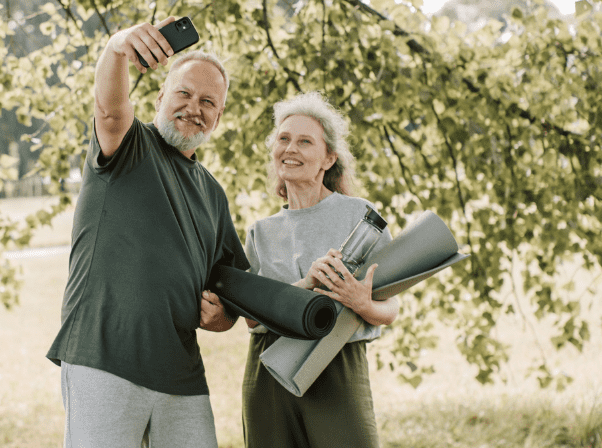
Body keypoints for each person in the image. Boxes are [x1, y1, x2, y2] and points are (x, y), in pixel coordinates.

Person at [45, 17, 250, 448]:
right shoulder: (127, 144)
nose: (194, 107)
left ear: (219, 115)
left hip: (182, 376)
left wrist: (224, 317)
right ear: (160, 96)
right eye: (184, 93)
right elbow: (109, 107)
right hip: (104, 360)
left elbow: (231, 289)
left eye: (208, 101)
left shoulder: (212, 193)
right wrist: (118, 47)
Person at [241, 91, 400, 448]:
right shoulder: (260, 232)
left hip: (338, 365)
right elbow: (251, 319)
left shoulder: (360, 217)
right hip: (268, 370)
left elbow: (390, 308)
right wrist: (309, 281)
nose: (290, 148)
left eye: (304, 141)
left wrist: (362, 302)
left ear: (328, 158)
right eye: (283, 139)